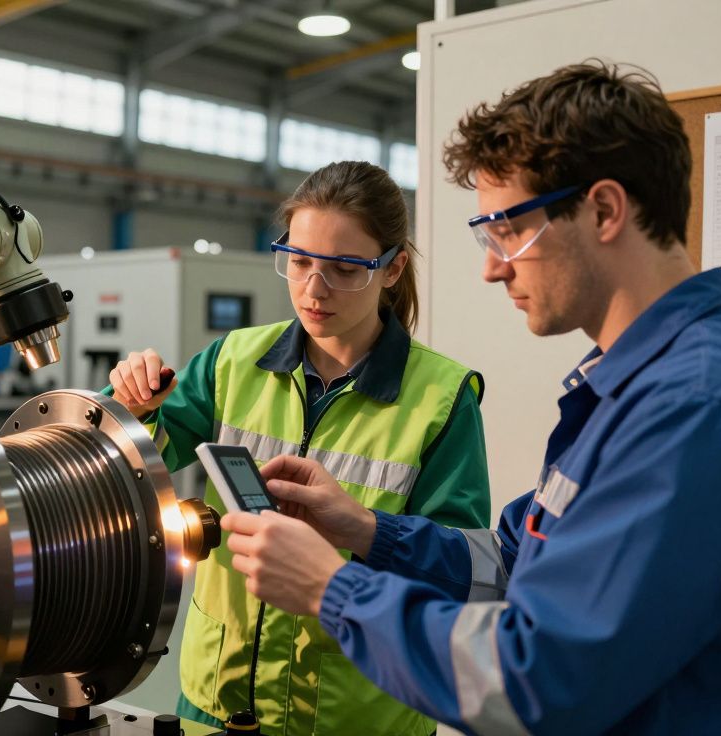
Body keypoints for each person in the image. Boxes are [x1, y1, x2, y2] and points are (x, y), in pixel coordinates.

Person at [221, 62, 721, 734]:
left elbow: (541, 680)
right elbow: (513, 562)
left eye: (509, 230)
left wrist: (332, 590)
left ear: (603, 210)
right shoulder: (628, 387)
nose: (491, 266)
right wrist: (367, 532)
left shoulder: (696, 409)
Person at [107, 161, 491, 735]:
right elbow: (134, 460)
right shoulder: (233, 361)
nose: (314, 289)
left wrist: (359, 532)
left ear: (393, 269)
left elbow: (457, 568)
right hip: (217, 699)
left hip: (355, 713)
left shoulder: (440, 398)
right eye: (300, 261)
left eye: (344, 268)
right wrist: (129, 404)